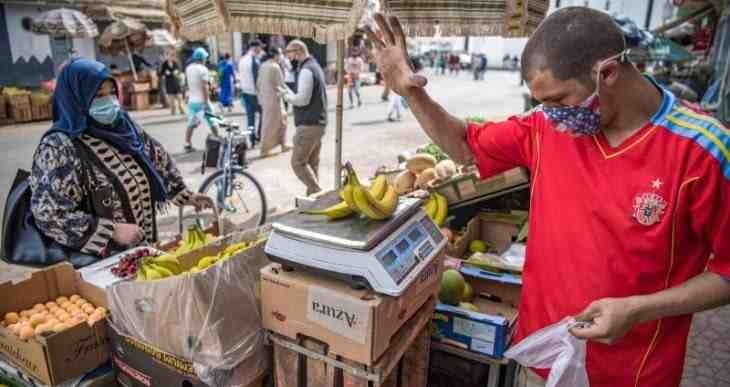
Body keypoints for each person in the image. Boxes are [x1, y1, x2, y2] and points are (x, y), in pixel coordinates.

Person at [366, 8, 730, 387]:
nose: (551, 116)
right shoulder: (544, 127)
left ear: (607, 73)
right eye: (542, 103)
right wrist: (412, 92)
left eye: (559, 100)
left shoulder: (704, 151)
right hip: (540, 359)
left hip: (632, 373)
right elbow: (464, 146)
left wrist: (639, 310)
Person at [29, 58, 213, 258]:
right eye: (98, 95)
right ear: (75, 97)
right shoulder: (59, 147)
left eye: (111, 93)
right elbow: (48, 214)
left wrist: (186, 196)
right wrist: (111, 231)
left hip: (145, 251)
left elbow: (158, 160)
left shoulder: (124, 126)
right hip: (102, 265)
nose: (108, 101)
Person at [281, 40, 328, 196]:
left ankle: (316, 191)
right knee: (312, 164)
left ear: (298, 51)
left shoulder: (307, 70)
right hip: (318, 123)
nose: (288, 57)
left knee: (298, 163)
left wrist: (286, 96)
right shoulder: (315, 66)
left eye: (289, 53)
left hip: (309, 124)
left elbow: (303, 100)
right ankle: (314, 199)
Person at [257, 47, 291, 157]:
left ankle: (283, 144)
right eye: (280, 54)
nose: (281, 56)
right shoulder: (274, 66)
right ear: (276, 55)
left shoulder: (263, 65)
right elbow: (281, 84)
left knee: (281, 121)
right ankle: (264, 149)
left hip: (266, 98)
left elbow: (258, 83)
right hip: (274, 99)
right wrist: (292, 94)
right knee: (271, 124)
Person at [184, 47, 219, 152]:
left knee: (191, 123)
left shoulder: (188, 68)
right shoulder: (203, 69)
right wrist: (206, 101)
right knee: (213, 121)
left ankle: (187, 144)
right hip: (202, 100)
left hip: (192, 101)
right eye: (205, 57)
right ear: (202, 58)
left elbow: (189, 84)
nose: (206, 59)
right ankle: (217, 141)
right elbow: (205, 87)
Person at [239, 40, 264, 146]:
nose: (261, 50)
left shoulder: (242, 60)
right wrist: (260, 93)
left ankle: (252, 139)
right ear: (255, 47)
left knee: (250, 117)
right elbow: (256, 78)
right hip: (255, 93)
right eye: (260, 47)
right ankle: (259, 135)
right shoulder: (254, 60)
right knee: (264, 113)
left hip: (245, 92)